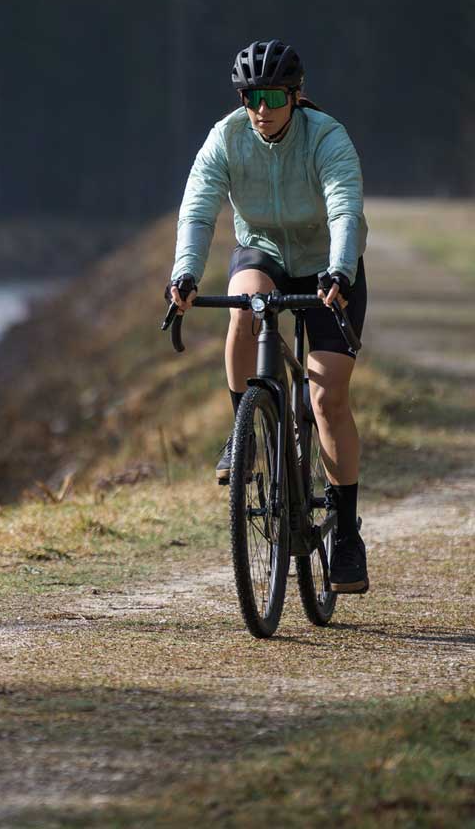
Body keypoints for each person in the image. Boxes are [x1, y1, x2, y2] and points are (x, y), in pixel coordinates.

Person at [164, 39, 371, 593]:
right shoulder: (227, 136)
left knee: (327, 397)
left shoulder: (326, 136)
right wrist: (185, 274)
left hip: (329, 266)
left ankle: (346, 534)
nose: (262, 108)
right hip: (265, 254)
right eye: (253, 96)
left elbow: (344, 207)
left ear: (295, 95)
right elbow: (199, 208)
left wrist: (339, 272)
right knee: (244, 309)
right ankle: (245, 432)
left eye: (274, 96)